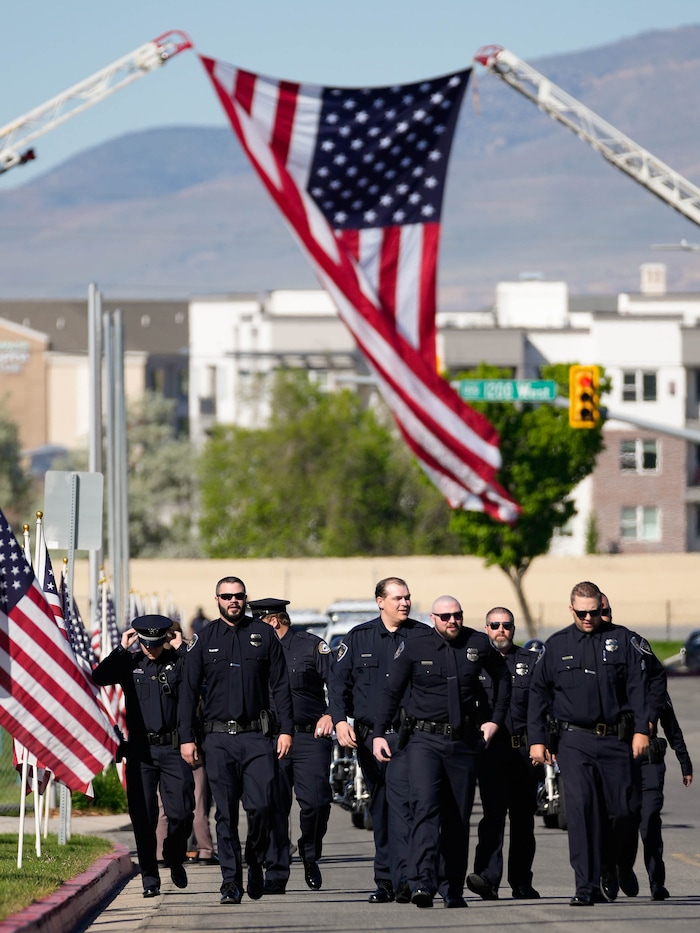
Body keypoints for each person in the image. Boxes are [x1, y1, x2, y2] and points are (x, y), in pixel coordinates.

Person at [372, 595, 511, 909]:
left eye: (457, 615)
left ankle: (452, 889)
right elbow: (391, 692)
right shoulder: (416, 646)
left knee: (457, 817)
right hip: (424, 741)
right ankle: (422, 881)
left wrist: (494, 721)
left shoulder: (478, 643)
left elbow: (503, 679)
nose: (453, 622)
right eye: (446, 616)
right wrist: (379, 735)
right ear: (433, 618)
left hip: (463, 743)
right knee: (425, 808)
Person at [528, 580, 649, 907]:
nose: (587, 618)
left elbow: (639, 687)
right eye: (581, 612)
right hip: (574, 741)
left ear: (601, 608)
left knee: (624, 811)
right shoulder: (557, 645)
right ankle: (585, 885)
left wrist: (642, 730)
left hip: (616, 740)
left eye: (593, 612)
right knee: (581, 813)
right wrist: (537, 740)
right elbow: (537, 694)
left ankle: (612, 862)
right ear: (571, 609)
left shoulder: (621, 640)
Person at [178, 577, 294, 906]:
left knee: (262, 807)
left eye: (239, 596)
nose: (234, 601)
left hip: (257, 737)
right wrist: (187, 738)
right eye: (227, 596)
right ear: (216, 599)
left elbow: (281, 685)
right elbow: (188, 692)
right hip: (217, 739)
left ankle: (255, 861)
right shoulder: (203, 640)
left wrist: (286, 730)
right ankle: (230, 882)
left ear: (246, 599)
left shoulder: (264, 635)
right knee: (225, 815)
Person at [328, 576, 430, 904]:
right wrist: (340, 722)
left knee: (411, 807)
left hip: (411, 737)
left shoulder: (424, 637)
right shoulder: (358, 639)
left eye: (408, 597)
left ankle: (412, 879)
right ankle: (386, 880)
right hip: (370, 737)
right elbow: (337, 685)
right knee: (382, 807)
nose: (404, 603)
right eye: (397, 598)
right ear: (380, 601)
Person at [92, 614, 195, 899]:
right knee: (143, 818)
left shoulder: (178, 662)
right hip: (140, 750)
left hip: (173, 749)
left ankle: (174, 855)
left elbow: (202, 675)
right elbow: (99, 677)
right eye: (145, 642)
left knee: (182, 812)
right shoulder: (131, 662)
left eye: (156, 642)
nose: (151, 648)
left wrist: (182, 647)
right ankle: (150, 878)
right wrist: (122, 649)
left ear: (165, 638)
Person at [599, 595, 693, 900]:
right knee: (617, 820)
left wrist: (684, 759)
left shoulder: (635, 646)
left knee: (650, 819)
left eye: (607, 611)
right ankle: (615, 868)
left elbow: (668, 713)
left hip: (649, 758)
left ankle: (656, 881)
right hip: (613, 755)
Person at [249, 597, 333, 894]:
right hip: (270, 737)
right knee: (274, 807)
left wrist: (331, 714)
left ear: (273, 622)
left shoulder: (310, 646)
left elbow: (336, 682)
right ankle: (276, 873)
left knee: (317, 802)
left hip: (310, 736)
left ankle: (310, 854)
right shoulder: (254, 651)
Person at [468, 607, 541, 900]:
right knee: (493, 817)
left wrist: (541, 743)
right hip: (491, 753)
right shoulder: (474, 665)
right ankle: (487, 878)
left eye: (507, 625)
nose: (501, 630)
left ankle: (522, 882)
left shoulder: (531, 662)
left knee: (523, 820)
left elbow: (540, 708)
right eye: (495, 625)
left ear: (513, 629)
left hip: (523, 751)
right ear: (486, 628)